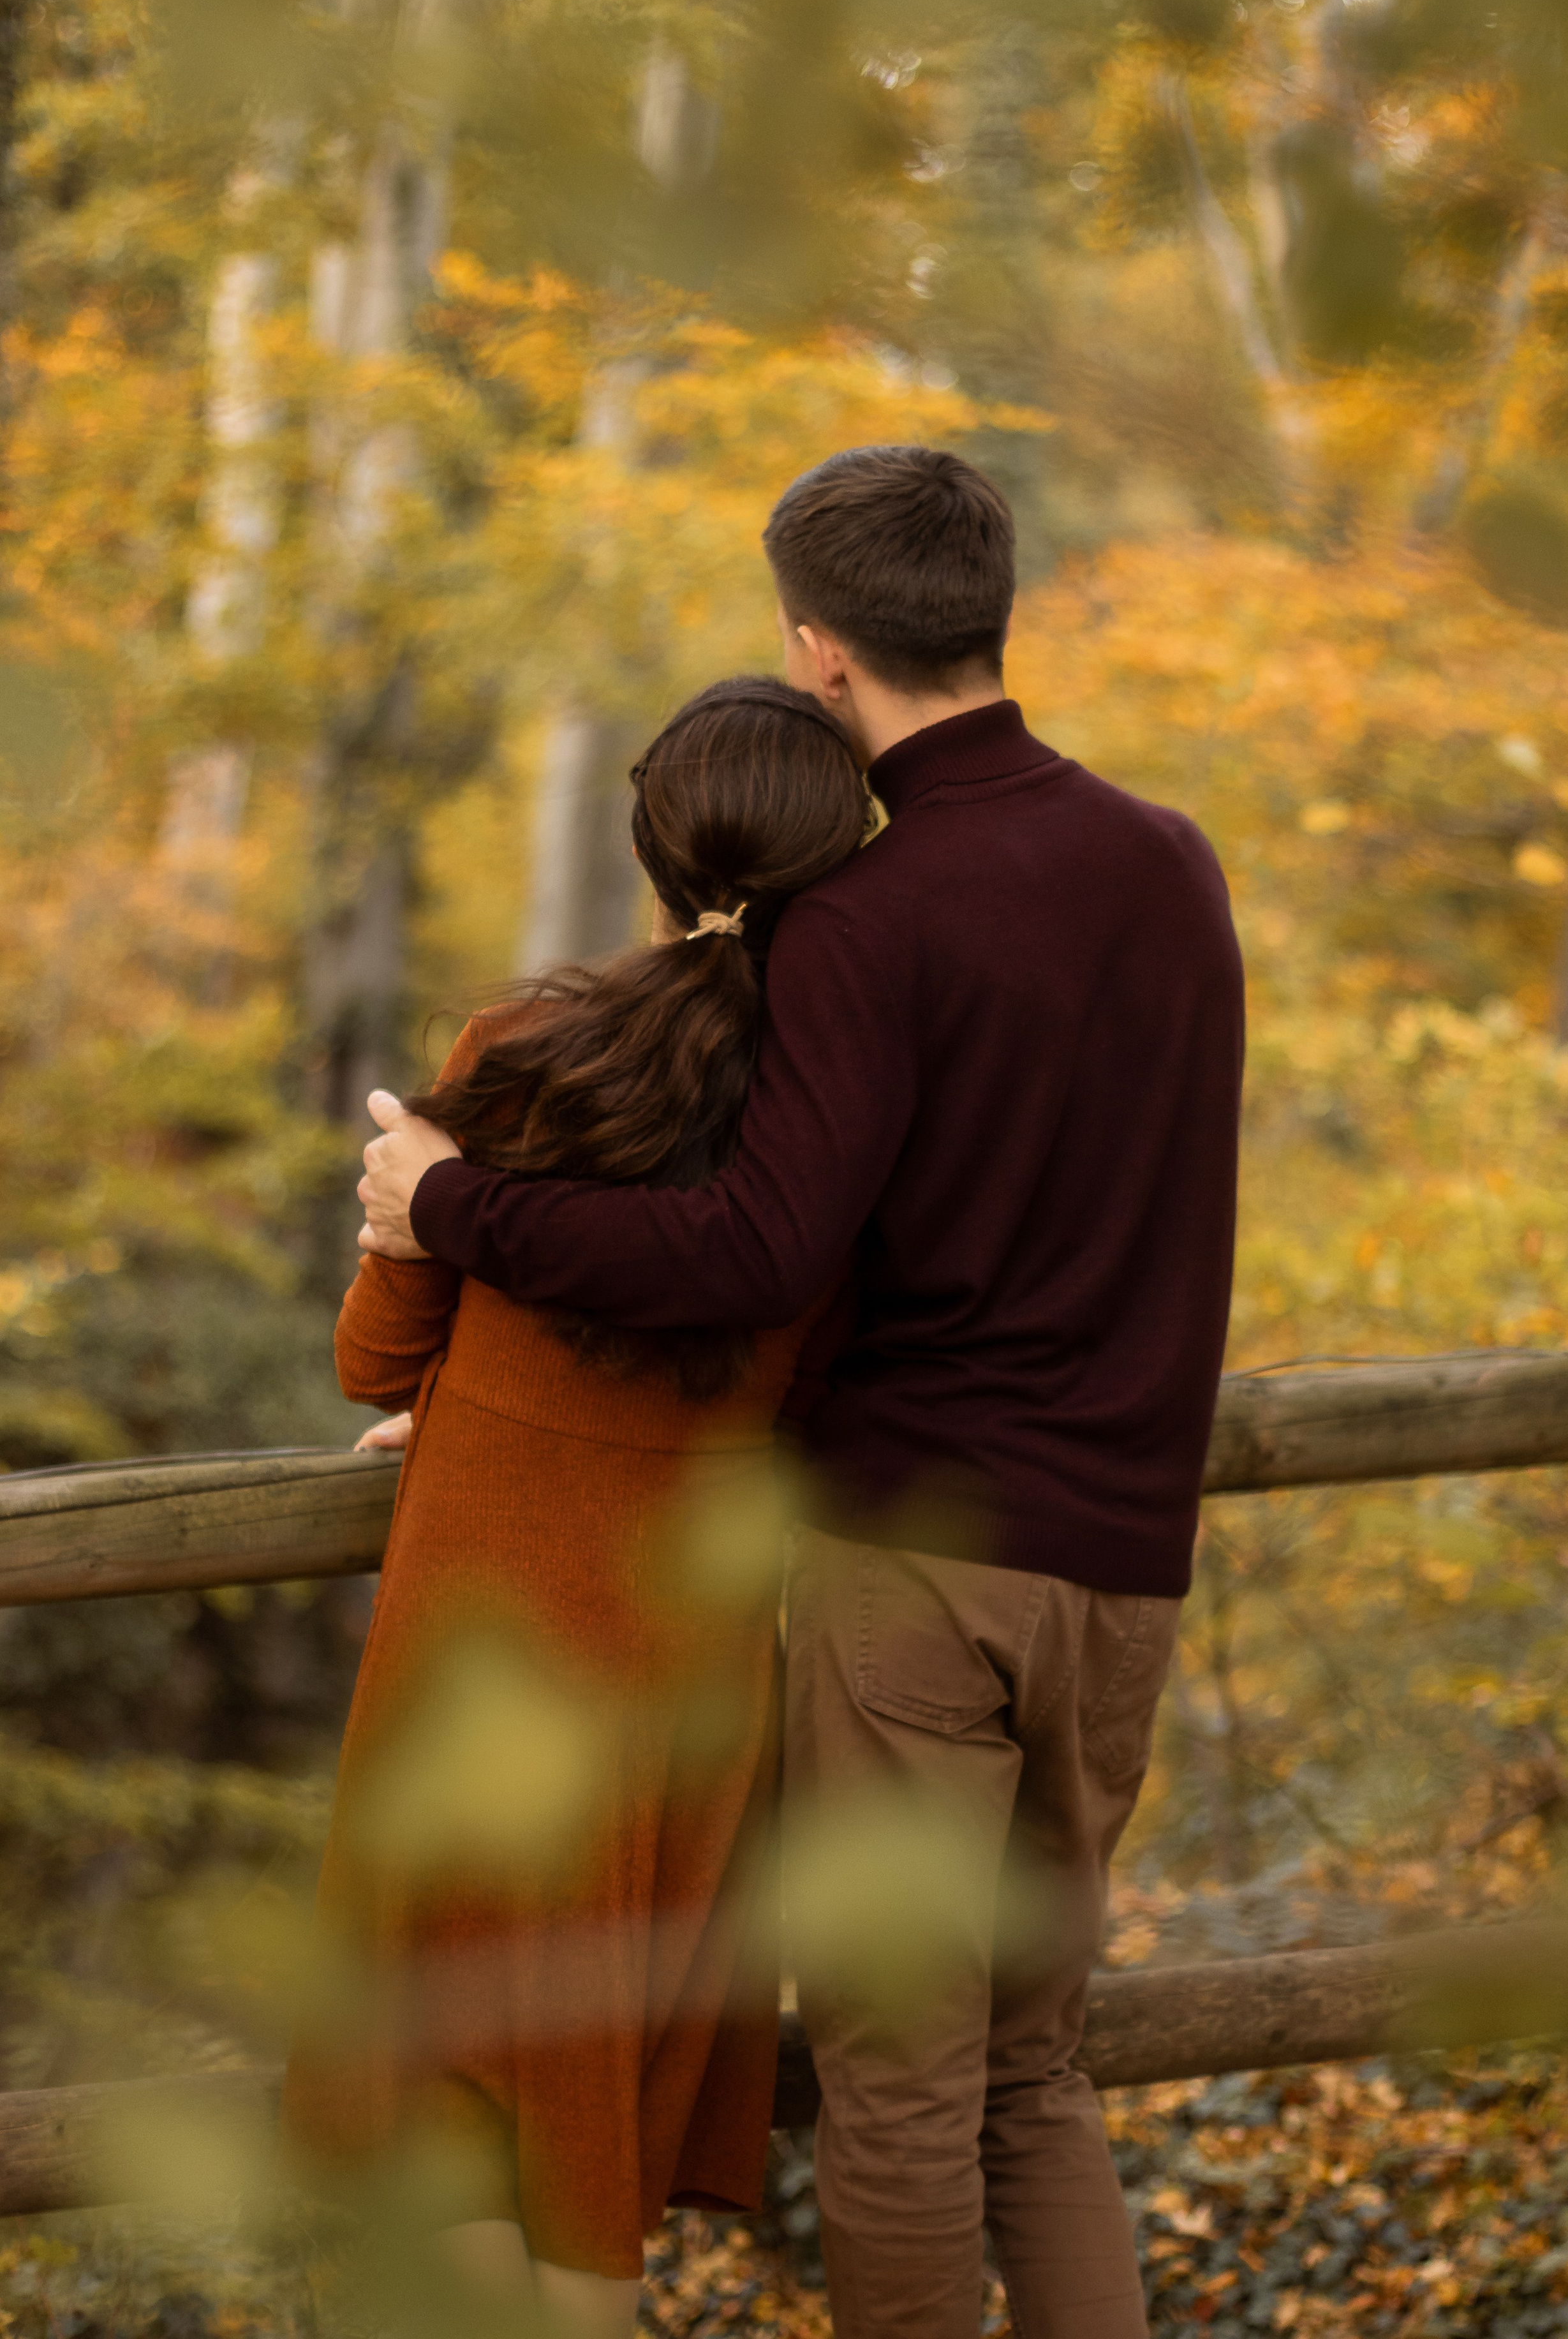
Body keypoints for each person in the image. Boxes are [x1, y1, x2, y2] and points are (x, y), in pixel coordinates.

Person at [358, 445, 1245, 2339]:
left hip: (917, 1561)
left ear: (816, 650)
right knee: (1040, 2068)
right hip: (1128, 1559)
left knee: (906, 2080)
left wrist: (452, 1203)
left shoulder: (866, 914)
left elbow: (756, 1257)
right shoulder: (1170, 861)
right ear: (994, 611)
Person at [281, 676, 875, 2339]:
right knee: (591, 2071)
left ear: (652, 851)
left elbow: (370, 1353)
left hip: (481, 1619)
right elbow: (814, 1383)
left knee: (456, 2067)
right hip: (680, 1655)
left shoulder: (518, 1047)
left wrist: (469, 1398)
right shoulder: (837, 1119)